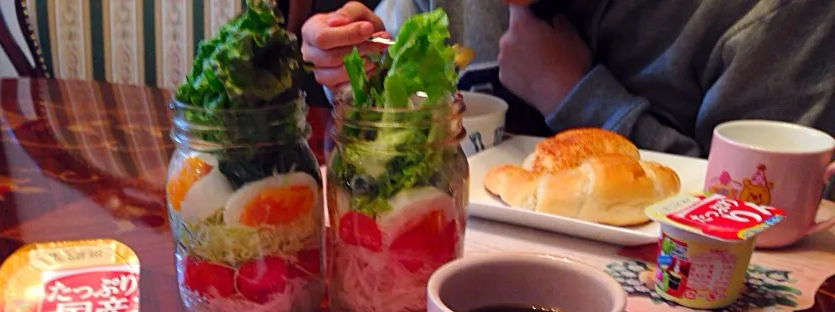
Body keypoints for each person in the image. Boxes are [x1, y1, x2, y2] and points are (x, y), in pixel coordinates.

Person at [300, 0, 835, 157]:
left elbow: (772, 229)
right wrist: (354, 70)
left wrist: (577, 96)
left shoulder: (775, 17)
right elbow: (387, 92)